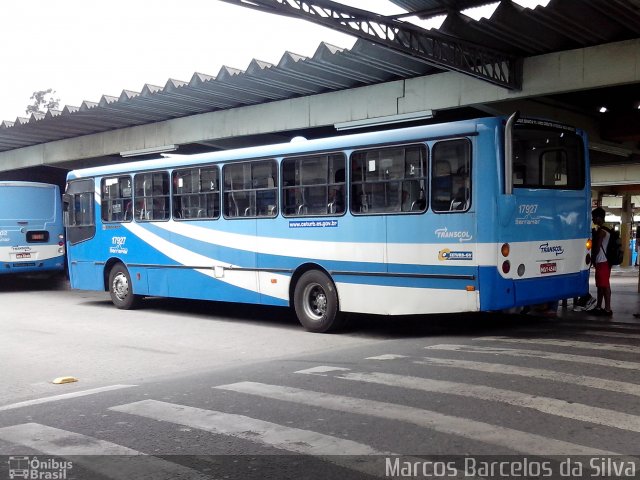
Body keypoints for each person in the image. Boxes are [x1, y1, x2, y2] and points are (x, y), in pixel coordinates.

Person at [591, 207, 613, 316]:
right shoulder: (605, 229)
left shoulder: (601, 232)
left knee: (604, 286)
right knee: (600, 285)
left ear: (599, 218)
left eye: (594, 217)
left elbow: (597, 248)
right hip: (603, 262)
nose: (593, 220)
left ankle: (607, 309)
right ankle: (599, 307)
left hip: (602, 261)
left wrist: (592, 258)